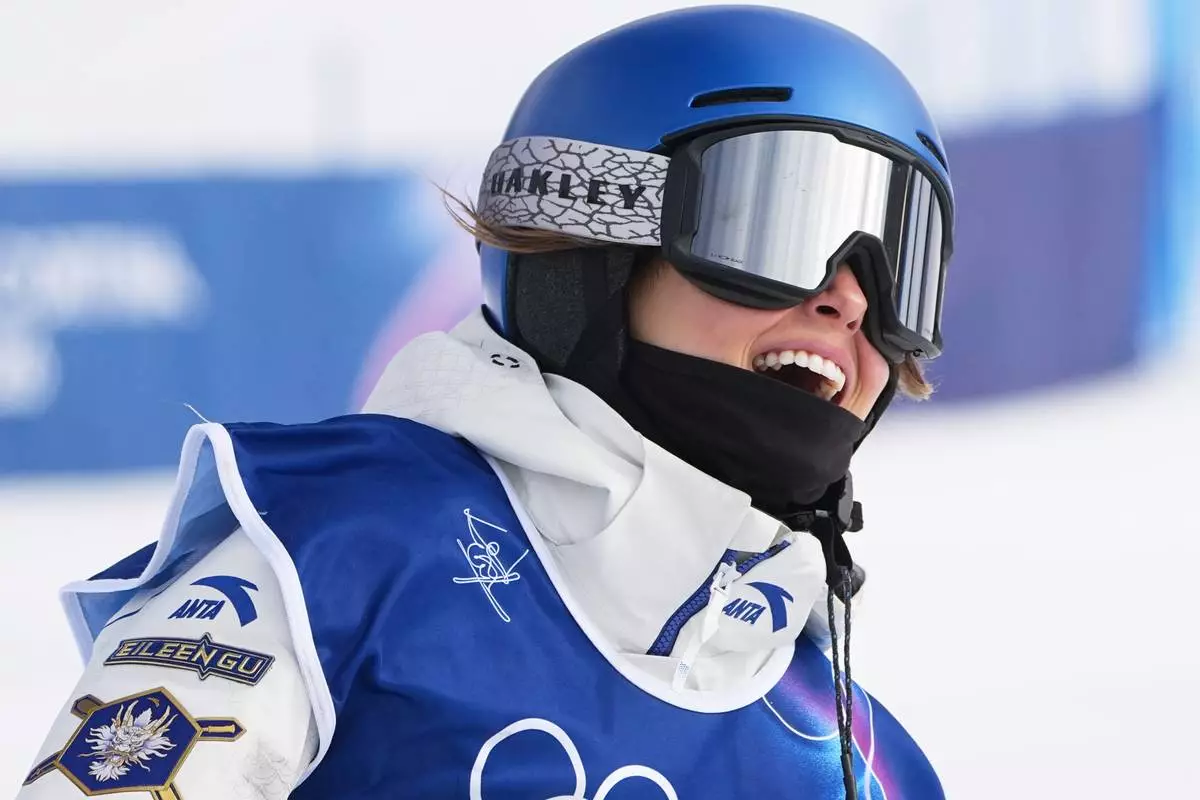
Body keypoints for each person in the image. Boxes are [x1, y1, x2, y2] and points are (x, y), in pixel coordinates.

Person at [17, 6, 954, 799]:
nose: (852, 298)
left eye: (899, 262)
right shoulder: (346, 554)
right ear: (591, 245)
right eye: (778, 227)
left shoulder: (863, 764)